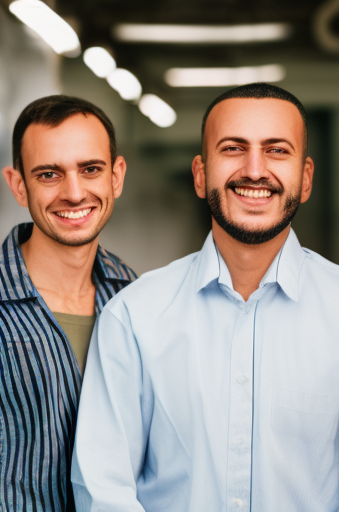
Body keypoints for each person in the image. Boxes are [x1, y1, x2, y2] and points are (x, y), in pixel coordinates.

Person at [71, 83, 339, 512]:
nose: (255, 170)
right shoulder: (132, 316)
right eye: (233, 149)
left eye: (277, 150)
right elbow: (103, 488)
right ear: (200, 174)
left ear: (306, 178)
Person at [0, 95, 136, 512]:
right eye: (49, 174)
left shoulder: (137, 300)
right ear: (19, 185)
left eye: (90, 169)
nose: (74, 193)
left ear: (116, 176)